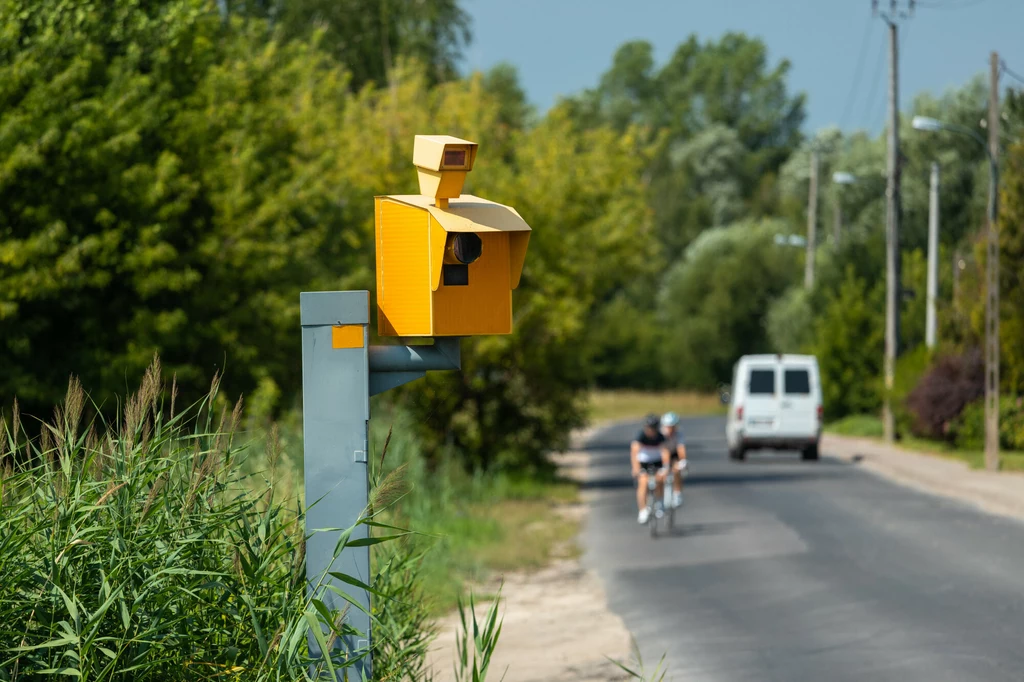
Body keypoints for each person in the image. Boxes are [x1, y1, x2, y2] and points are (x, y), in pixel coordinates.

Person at [630, 414, 671, 524]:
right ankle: (643, 510)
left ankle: (660, 502)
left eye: (652, 428)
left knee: (660, 479)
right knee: (643, 482)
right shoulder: (641, 436)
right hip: (644, 462)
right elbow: (634, 451)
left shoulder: (660, 437)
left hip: (657, 462)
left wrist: (666, 467)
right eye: (648, 428)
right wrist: (635, 468)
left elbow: (665, 452)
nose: (650, 430)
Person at [660, 412, 687, 508]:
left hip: (674, 454)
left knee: (677, 470)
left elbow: (681, 448)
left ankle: (677, 493)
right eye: (668, 426)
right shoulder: (660, 434)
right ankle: (660, 499)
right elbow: (663, 450)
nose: (670, 429)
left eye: (672, 426)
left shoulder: (678, 434)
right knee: (660, 475)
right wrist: (666, 464)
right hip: (661, 455)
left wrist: (683, 460)